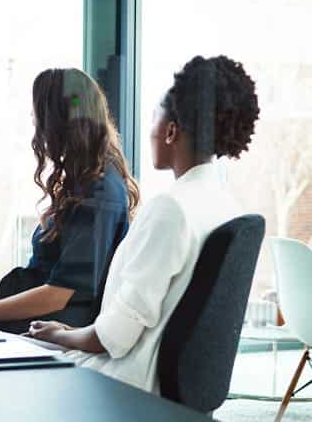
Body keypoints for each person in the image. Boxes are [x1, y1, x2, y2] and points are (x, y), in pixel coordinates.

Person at [28, 55, 260, 393]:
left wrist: (59, 334)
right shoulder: (225, 204)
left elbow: (113, 338)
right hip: (162, 389)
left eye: (154, 116)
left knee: (1, 361)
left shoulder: (170, 209)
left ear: (170, 131)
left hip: (123, 385)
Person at [0, 68, 139, 334]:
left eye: (38, 113)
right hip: (37, 323)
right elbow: (42, 280)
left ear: (57, 121)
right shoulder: (84, 181)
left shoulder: (99, 193)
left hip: (52, 331)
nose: (34, 121)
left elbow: (58, 294)